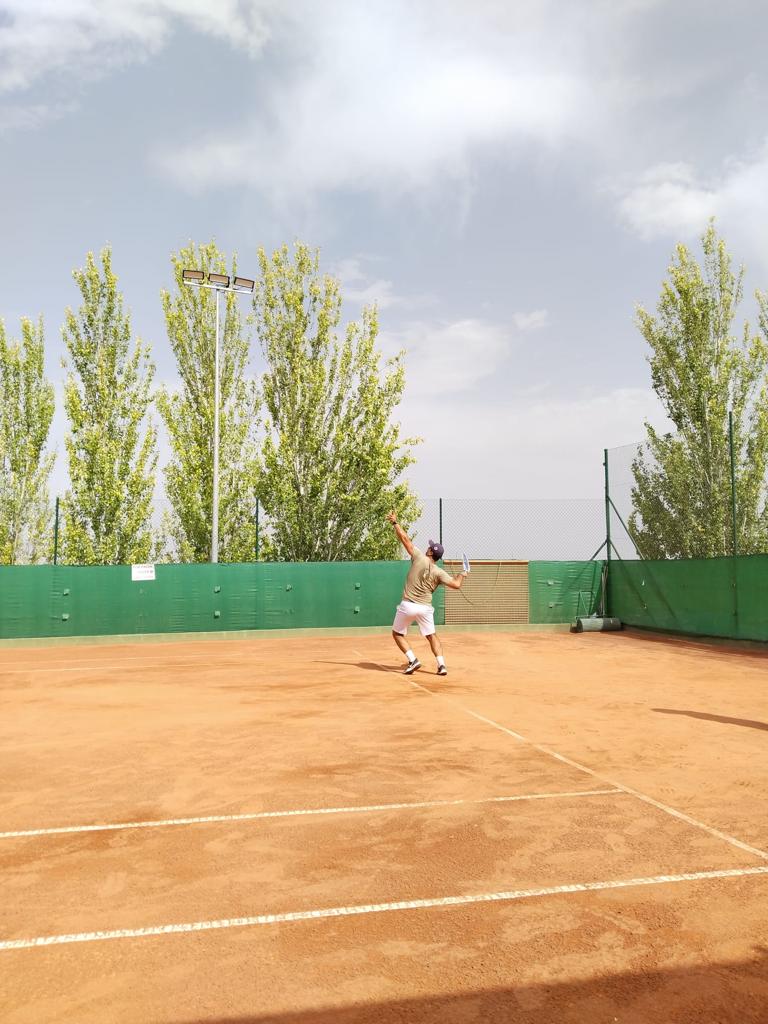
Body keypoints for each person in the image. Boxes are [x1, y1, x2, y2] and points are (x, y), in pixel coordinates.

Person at [387, 510, 467, 676]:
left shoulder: (418, 557)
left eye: (429, 547)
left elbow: (405, 539)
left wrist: (395, 523)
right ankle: (442, 666)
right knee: (431, 636)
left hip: (408, 605)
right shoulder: (439, 572)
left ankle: (413, 660)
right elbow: (456, 584)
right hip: (425, 608)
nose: (427, 547)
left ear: (431, 552)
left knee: (397, 634)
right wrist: (463, 573)